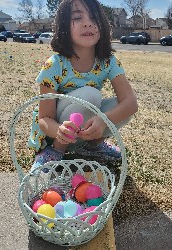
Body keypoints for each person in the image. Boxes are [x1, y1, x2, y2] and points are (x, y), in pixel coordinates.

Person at [28, 0, 138, 172]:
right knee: (91, 95)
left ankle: (91, 145)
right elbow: (44, 119)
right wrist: (59, 131)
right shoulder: (54, 64)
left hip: (81, 131)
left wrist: (102, 122)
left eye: (94, 17)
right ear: (63, 25)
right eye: (78, 17)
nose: (87, 22)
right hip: (55, 132)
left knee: (122, 107)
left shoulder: (109, 62)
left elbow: (131, 103)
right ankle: (56, 150)